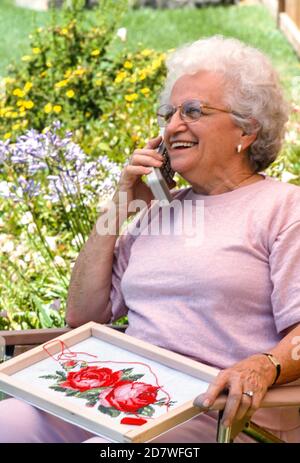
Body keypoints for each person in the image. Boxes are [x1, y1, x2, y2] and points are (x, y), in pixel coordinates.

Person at [1, 35, 300, 443]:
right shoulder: (158, 211)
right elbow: (84, 316)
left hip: (216, 413)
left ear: (246, 131)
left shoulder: (284, 208)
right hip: (120, 397)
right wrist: (119, 205)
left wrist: (262, 367)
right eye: (169, 113)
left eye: (193, 111)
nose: (173, 125)